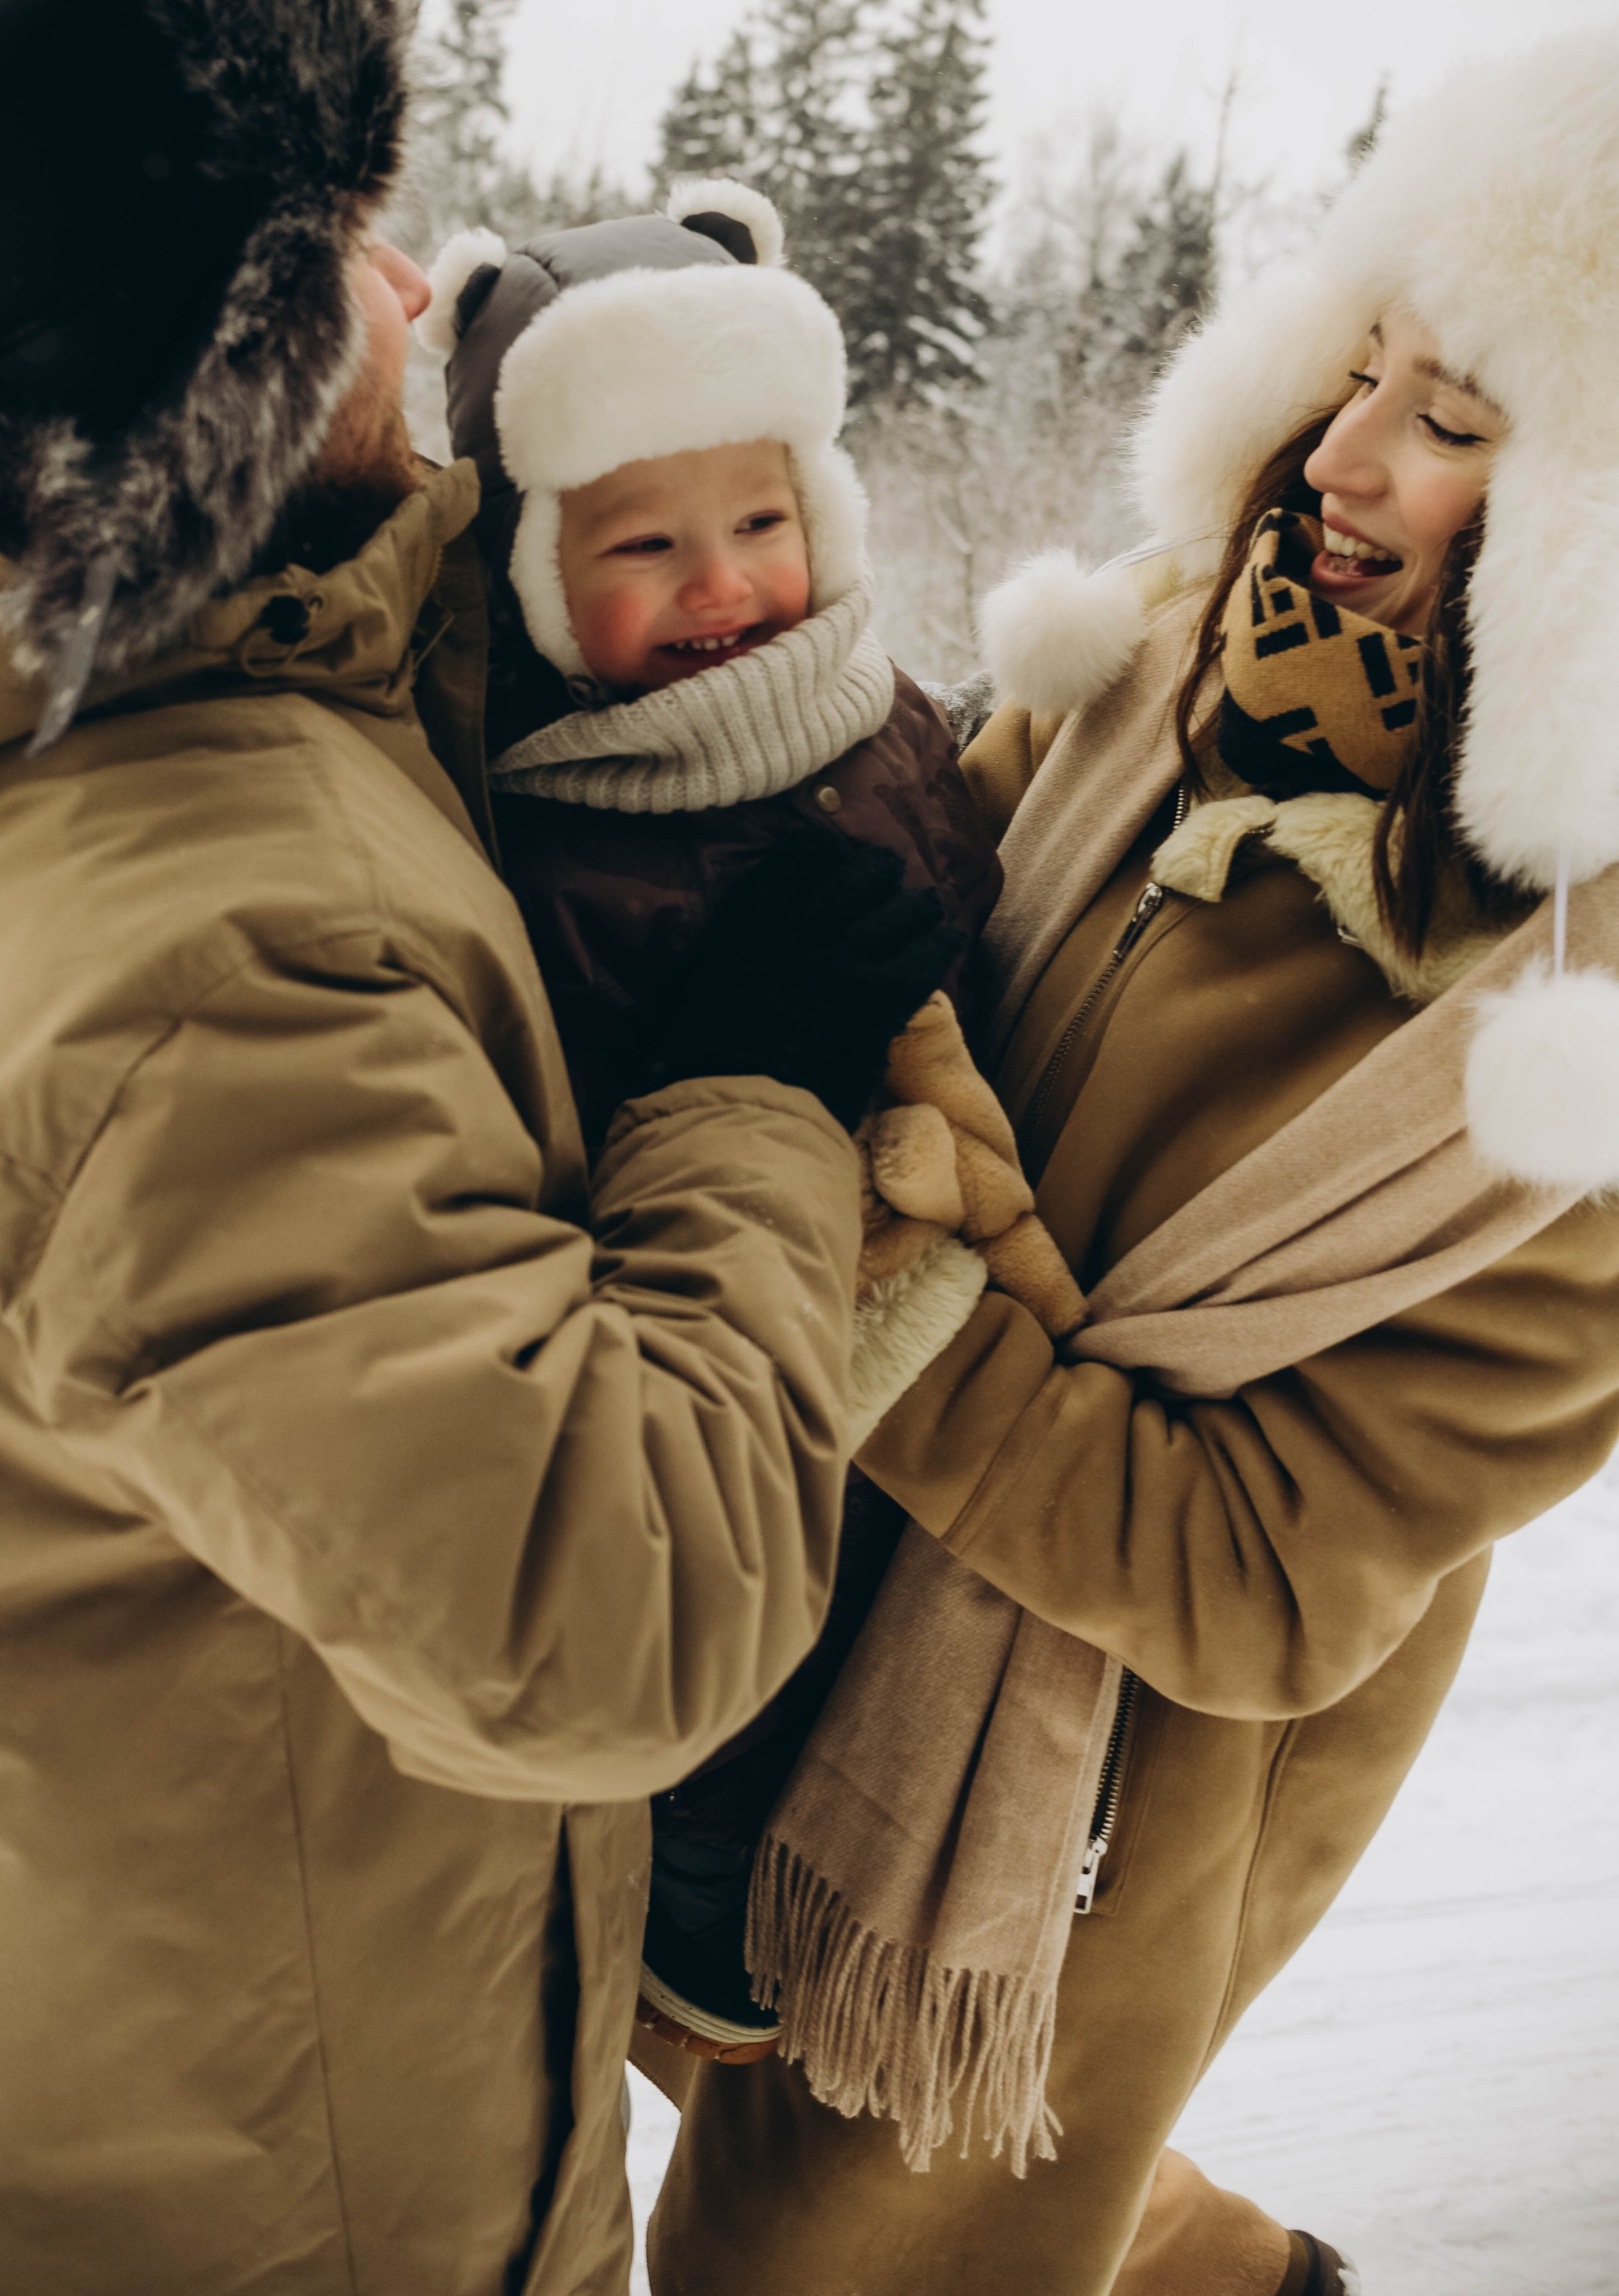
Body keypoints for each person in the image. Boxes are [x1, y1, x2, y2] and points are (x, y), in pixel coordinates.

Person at [0, 0, 955, 2296]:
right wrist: (745, 1087)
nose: (418, 287)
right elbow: (600, 1617)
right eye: (340, 254)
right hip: (279, 2201)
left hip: (78, 2029)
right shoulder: (221, 950)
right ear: (220, 376)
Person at [644, 30, 1619, 2296]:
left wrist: (890, 1287)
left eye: (1457, 422)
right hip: (833, 1594)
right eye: (1360, 368)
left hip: (1101, 1785)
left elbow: (1255, 1578)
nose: (1348, 461)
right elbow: (906, 921)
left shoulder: (1560, 1076)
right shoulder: (1165, 668)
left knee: (832, 2245)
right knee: (712, 2054)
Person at [415, 185, 1010, 2063]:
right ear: (529, 573)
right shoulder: (539, 824)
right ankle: (704, 1863)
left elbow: (976, 872)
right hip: (719, 1326)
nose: (723, 587)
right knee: (756, 1620)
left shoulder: (882, 712)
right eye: (642, 545)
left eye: (762, 522)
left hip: (942, 1279)